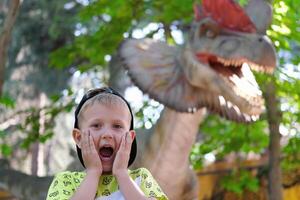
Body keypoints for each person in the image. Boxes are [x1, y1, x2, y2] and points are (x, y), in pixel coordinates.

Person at [46, 87, 168, 200]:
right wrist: (93, 173)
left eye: (117, 126)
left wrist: (122, 174)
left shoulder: (141, 178)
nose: (107, 134)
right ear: (79, 138)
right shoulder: (66, 181)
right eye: (96, 125)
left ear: (129, 138)